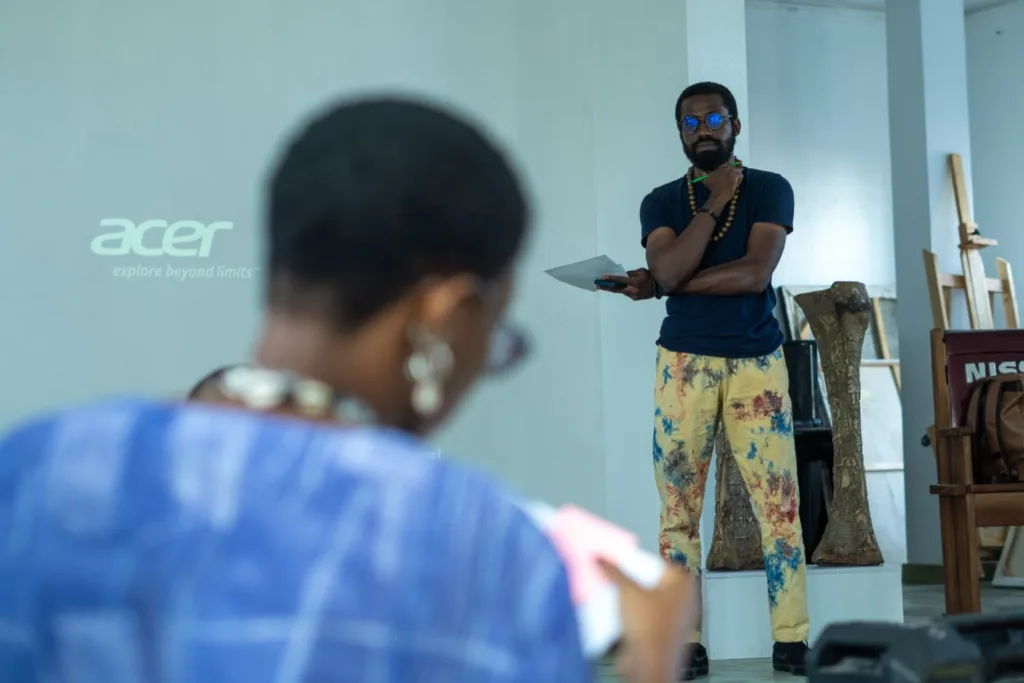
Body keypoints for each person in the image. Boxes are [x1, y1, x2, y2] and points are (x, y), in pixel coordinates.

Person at [0, 97, 696, 682]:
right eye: (493, 338)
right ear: (444, 317)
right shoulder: (486, 549)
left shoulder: (32, 466)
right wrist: (644, 658)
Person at [598, 81, 810, 678]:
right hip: (683, 365)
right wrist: (713, 204)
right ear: (682, 135)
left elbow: (754, 273)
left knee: (780, 507)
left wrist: (664, 283)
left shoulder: (771, 189)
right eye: (691, 124)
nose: (704, 130)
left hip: (757, 363)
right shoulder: (661, 201)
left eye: (715, 118)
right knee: (678, 511)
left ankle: (791, 639)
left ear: (736, 124)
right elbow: (664, 263)